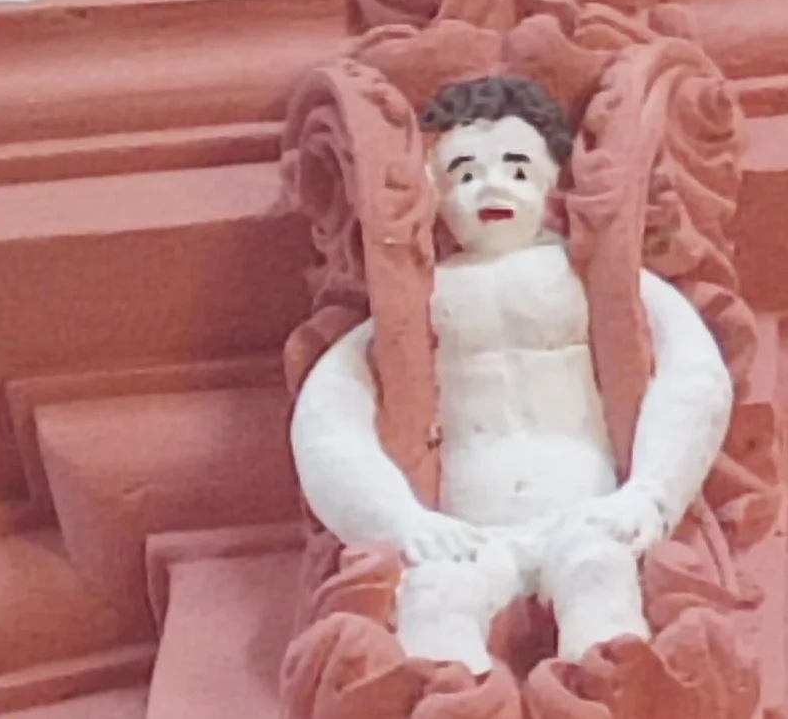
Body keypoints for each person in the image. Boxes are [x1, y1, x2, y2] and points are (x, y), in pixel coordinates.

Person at [290, 75, 734, 674]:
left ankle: (608, 693)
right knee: (436, 601)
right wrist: (400, 520)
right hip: (470, 532)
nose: (492, 186)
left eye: (517, 169)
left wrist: (652, 492)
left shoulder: (599, 283)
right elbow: (328, 420)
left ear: (552, 178)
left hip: (585, 512)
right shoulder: (417, 306)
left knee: (598, 582)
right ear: (433, 191)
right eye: (465, 174)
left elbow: (694, 376)